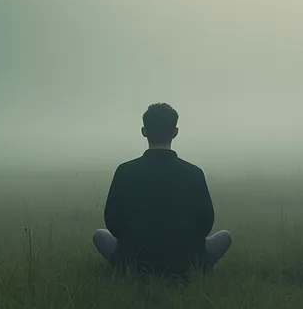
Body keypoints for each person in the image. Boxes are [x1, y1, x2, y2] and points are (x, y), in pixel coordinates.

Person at [91, 103, 232, 275]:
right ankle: (196, 268)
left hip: (134, 259)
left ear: (144, 131)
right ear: (175, 132)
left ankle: (125, 267)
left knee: (100, 235)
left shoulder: (124, 171)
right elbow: (206, 225)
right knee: (224, 236)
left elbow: (112, 223)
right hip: (186, 261)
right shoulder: (194, 173)